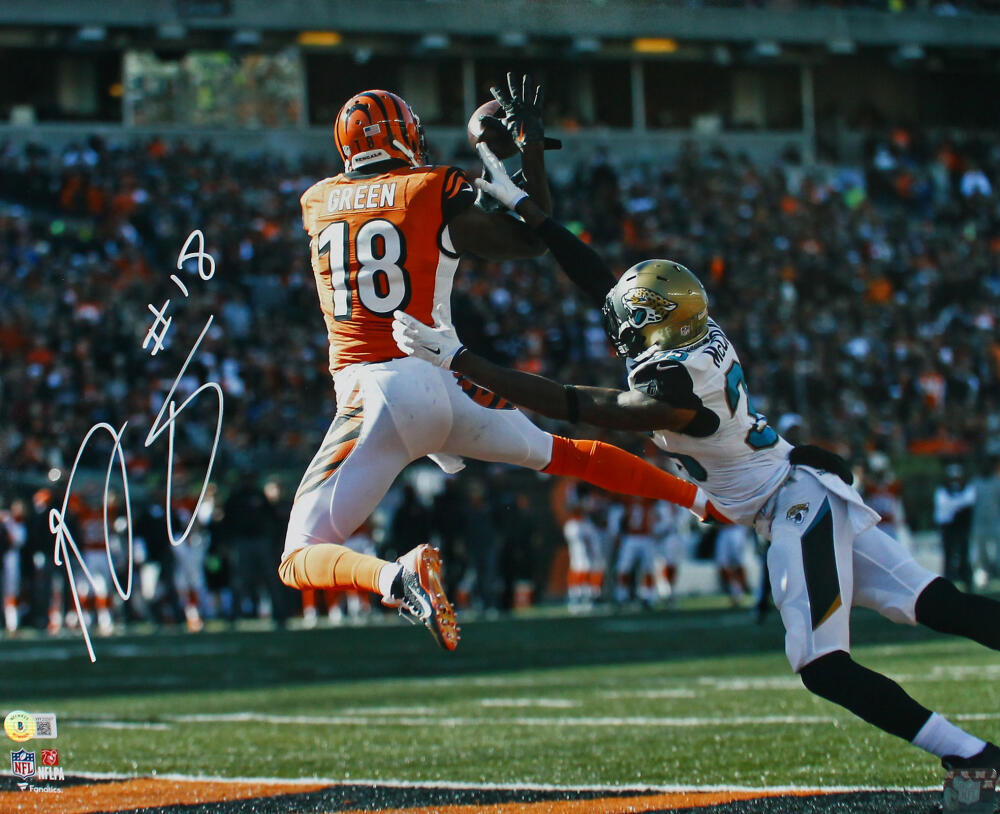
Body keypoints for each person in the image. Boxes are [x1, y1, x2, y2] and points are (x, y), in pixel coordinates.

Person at [391, 143, 1000, 771]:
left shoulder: (673, 388)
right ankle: (975, 754)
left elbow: (580, 404)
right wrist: (525, 202)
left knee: (823, 666)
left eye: (630, 320)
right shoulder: (690, 334)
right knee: (937, 604)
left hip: (793, 503)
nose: (617, 324)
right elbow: (597, 276)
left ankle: (972, 756)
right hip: (799, 484)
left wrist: (460, 359)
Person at [278, 79, 728, 651]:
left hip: (377, 391)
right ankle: (699, 498)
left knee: (299, 555)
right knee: (563, 454)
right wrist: (522, 155)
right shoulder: (432, 186)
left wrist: (488, 181)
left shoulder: (315, 202)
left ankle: (394, 577)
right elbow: (530, 238)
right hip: (447, 378)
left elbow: (380, 213)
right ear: (407, 134)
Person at [934, 463, 976, 588]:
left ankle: (967, 579)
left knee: (964, 553)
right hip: (948, 527)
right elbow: (944, 506)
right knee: (949, 554)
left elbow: (969, 501)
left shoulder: (968, 489)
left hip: (962, 526)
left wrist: (955, 505)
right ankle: (948, 582)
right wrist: (957, 505)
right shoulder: (941, 491)